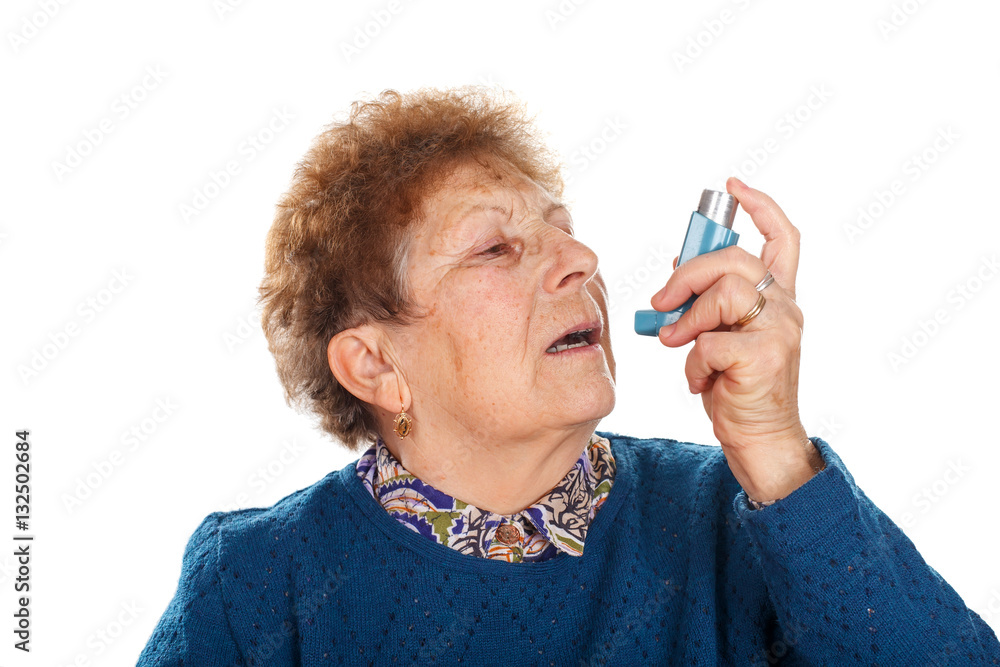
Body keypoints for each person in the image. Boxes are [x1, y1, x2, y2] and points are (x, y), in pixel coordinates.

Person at [138, 87, 1000, 665]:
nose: (581, 259)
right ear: (377, 364)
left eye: (563, 229)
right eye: (494, 248)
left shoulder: (735, 518)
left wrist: (777, 450)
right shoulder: (255, 584)